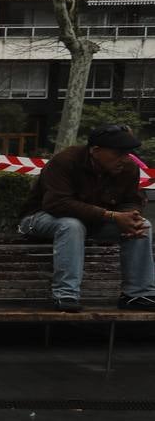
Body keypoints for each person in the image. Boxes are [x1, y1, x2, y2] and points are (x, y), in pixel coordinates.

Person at [18, 124, 155, 312]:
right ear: (96, 151)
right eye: (118, 154)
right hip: (41, 218)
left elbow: (131, 200)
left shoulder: (128, 167)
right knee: (71, 225)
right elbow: (58, 204)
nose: (124, 159)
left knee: (143, 225)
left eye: (127, 153)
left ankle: (137, 294)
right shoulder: (65, 161)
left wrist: (132, 216)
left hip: (91, 222)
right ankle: (66, 295)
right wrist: (113, 215)